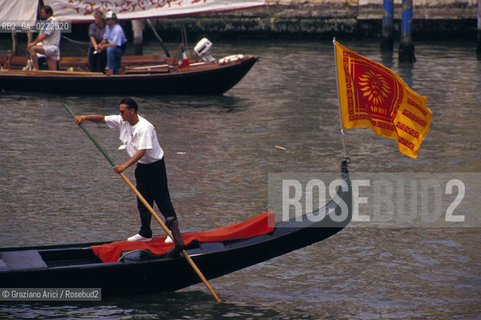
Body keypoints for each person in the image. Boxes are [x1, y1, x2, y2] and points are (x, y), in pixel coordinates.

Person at [73, 98, 185, 257]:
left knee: (162, 199)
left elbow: (142, 151)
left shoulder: (145, 127)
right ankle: (145, 232)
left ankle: (173, 233)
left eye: (122, 111)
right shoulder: (123, 120)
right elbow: (103, 119)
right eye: (120, 111)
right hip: (141, 167)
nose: (120, 114)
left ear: (132, 111)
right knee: (142, 199)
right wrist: (84, 117)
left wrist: (124, 166)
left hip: (155, 166)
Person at [27, 5, 61, 71]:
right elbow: (40, 35)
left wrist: (33, 43)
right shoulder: (46, 23)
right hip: (49, 47)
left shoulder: (52, 22)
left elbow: (44, 35)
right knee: (53, 70)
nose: (41, 14)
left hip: (51, 47)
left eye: (42, 12)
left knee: (32, 49)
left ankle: (36, 68)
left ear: (48, 13)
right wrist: (35, 42)